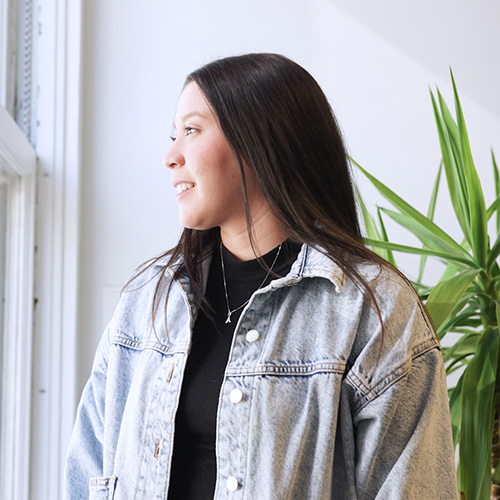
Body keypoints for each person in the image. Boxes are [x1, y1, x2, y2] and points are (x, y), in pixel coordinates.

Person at [64, 53, 459, 500]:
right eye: (174, 135)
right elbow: (88, 470)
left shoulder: (374, 312)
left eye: (191, 130)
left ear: (259, 141)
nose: (170, 156)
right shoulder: (148, 300)